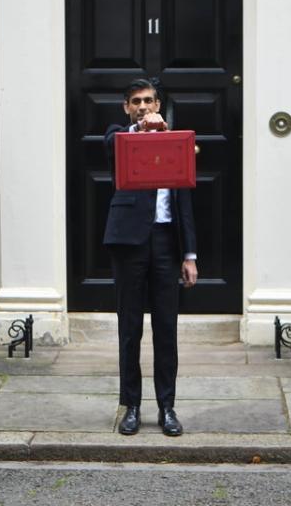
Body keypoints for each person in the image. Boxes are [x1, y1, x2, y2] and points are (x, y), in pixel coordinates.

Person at [103, 78, 198, 436]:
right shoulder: (118, 135)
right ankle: (131, 406)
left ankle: (167, 407)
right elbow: (111, 147)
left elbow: (185, 200)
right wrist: (141, 131)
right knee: (130, 329)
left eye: (149, 101)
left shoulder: (176, 143)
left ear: (158, 104)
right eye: (136, 102)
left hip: (165, 243)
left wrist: (189, 255)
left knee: (166, 329)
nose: (143, 106)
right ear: (127, 107)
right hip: (129, 244)